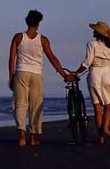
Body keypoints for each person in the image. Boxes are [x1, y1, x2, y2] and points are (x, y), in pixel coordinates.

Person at [9, 10, 74, 146]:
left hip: (21, 72)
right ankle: (33, 138)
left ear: (27, 21)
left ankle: (21, 136)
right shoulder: (43, 39)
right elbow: (52, 58)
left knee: (20, 104)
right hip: (36, 74)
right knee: (36, 105)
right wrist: (64, 75)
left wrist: (11, 76)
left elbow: (12, 59)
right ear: (38, 24)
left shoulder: (18, 37)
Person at [71, 21, 110, 145]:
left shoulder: (91, 44)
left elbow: (87, 62)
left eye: (94, 30)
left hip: (95, 73)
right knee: (107, 105)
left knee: (97, 106)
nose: (93, 31)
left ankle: (101, 137)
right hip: (107, 73)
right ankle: (105, 128)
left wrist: (76, 72)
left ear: (98, 33)